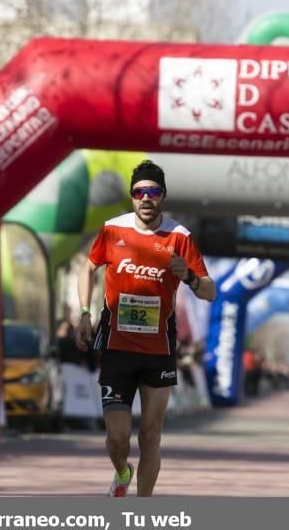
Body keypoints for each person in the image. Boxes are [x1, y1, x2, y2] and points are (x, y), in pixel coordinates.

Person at [75, 160, 216, 498]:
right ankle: (123, 472)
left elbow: (209, 291)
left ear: (162, 197)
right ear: (132, 197)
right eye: (140, 192)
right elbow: (87, 269)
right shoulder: (113, 230)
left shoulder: (179, 237)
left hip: (159, 350)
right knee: (117, 438)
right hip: (117, 348)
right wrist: (84, 313)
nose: (146, 198)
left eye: (153, 192)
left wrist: (190, 277)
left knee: (151, 436)